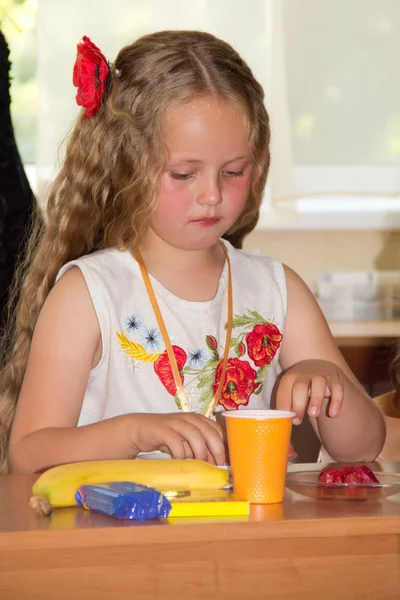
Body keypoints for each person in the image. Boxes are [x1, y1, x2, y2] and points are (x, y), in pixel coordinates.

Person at [0, 31, 385, 474]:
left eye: (233, 171)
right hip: (116, 540)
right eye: (183, 174)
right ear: (126, 163)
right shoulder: (88, 294)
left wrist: (327, 381)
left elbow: (363, 448)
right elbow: (27, 454)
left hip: (245, 538)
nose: (212, 195)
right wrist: (133, 432)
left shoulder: (278, 289)